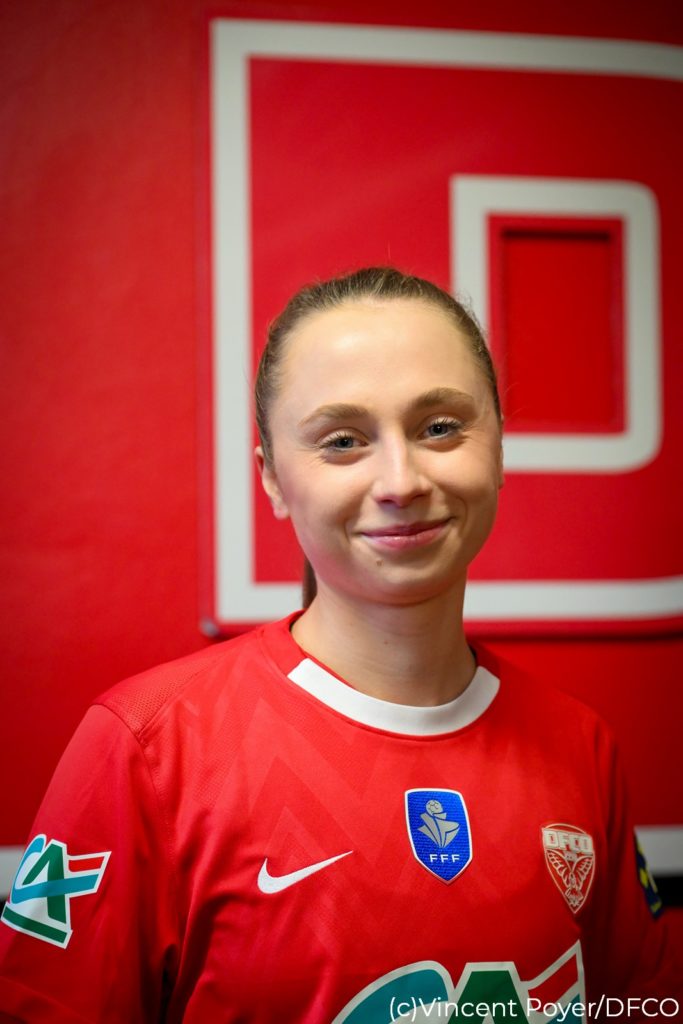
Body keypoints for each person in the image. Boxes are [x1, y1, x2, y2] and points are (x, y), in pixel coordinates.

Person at [0, 267, 680, 1023]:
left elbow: (641, 1005)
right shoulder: (148, 751)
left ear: (497, 447)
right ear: (272, 479)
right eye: (343, 441)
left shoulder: (580, 746)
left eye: (439, 427)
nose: (400, 480)